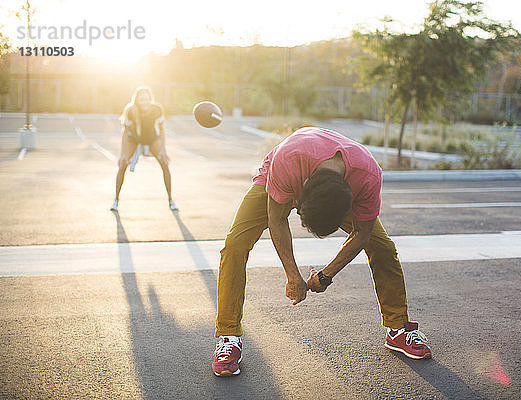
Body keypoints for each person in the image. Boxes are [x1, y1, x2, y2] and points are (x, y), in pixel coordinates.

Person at [212, 127, 431, 377]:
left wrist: (325, 276)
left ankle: (398, 329)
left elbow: (362, 233)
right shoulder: (288, 161)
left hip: (335, 188)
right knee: (234, 244)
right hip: (280, 173)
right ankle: (228, 337)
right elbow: (277, 219)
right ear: (302, 188)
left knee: (383, 247)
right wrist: (293, 276)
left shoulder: (367, 177)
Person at [110, 86, 178, 211]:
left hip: (152, 139)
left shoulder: (157, 109)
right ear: (137, 100)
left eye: (146, 99)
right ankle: (116, 200)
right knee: (122, 164)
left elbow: (161, 130)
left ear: (150, 99)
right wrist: (123, 154)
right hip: (134, 140)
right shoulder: (130, 110)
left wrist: (163, 150)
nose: (144, 102)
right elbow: (125, 132)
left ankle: (170, 200)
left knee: (164, 163)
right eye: (141, 99)